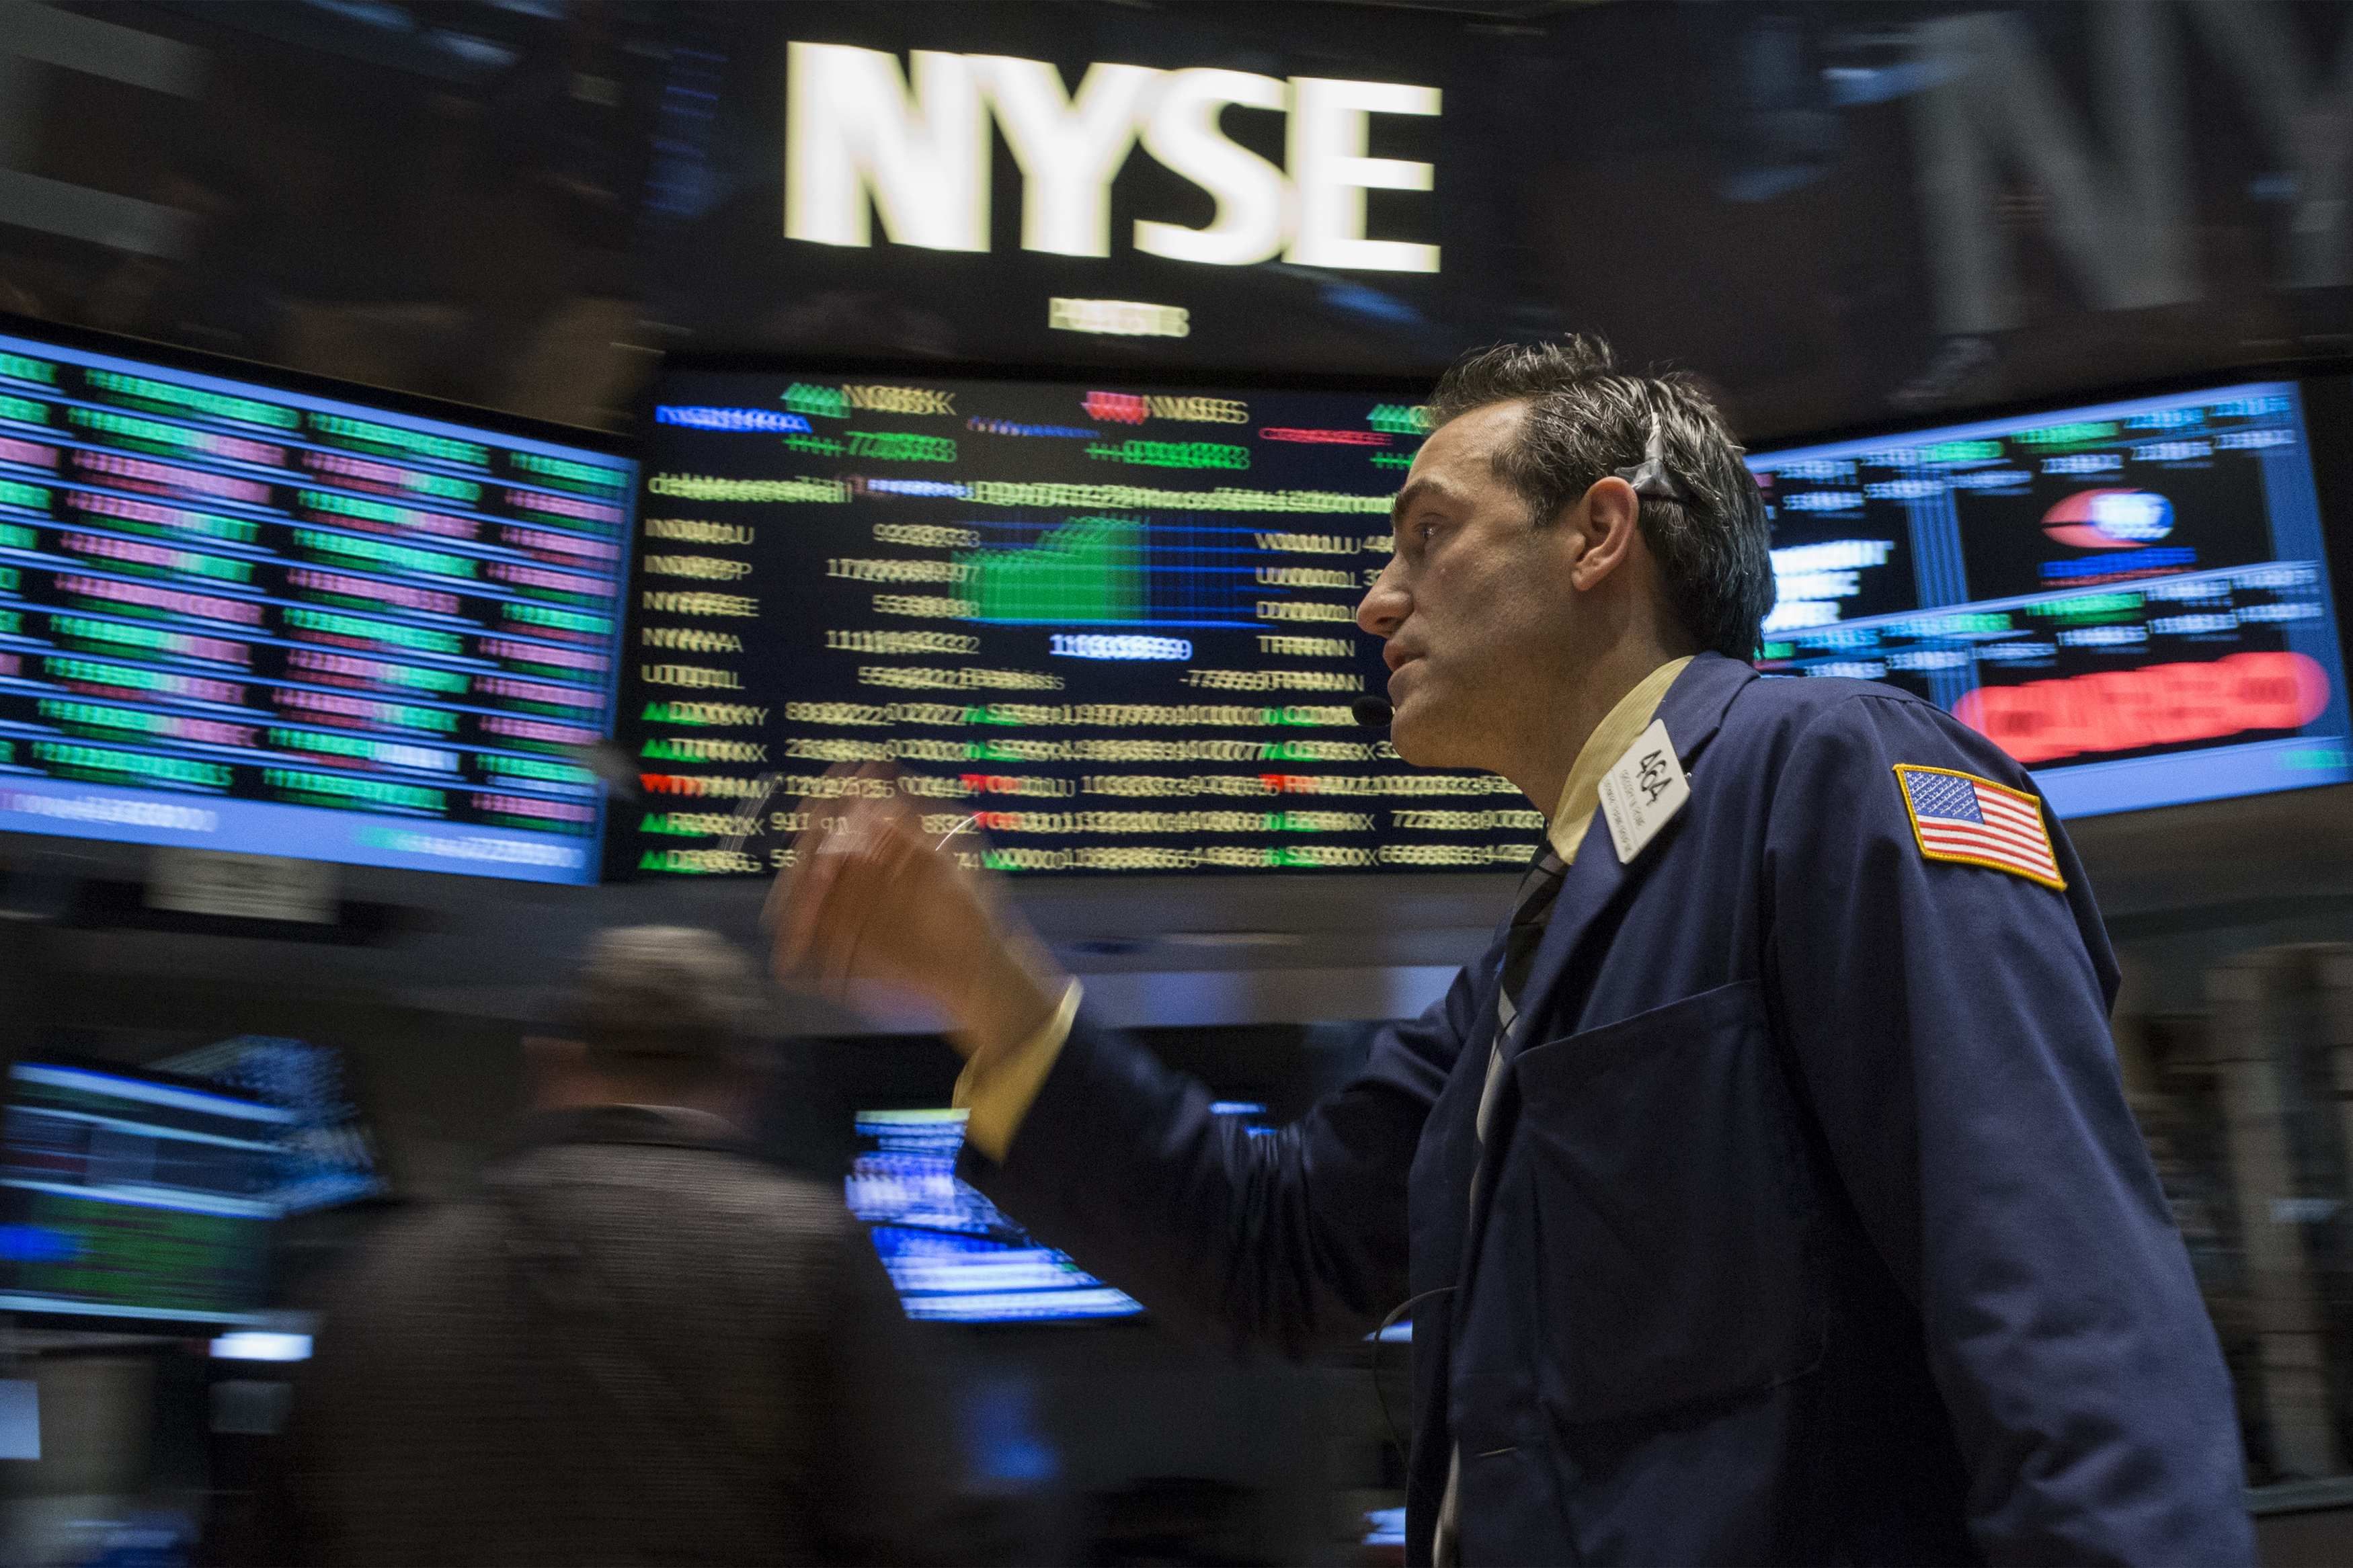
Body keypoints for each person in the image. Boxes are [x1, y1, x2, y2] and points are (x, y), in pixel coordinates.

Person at [774, 337, 2259, 1565]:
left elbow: (2069, 1311)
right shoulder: (1529, 963)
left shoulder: (1827, 767)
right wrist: (993, 990)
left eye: (1427, 533)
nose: (1374, 597)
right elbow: (1271, 1248)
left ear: (1598, 532)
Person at [276, 925, 973, 1567]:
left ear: (550, 1063)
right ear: (749, 1077)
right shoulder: (814, 1256)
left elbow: (282, 1532)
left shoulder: (384, 1272)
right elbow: (906, 1528)